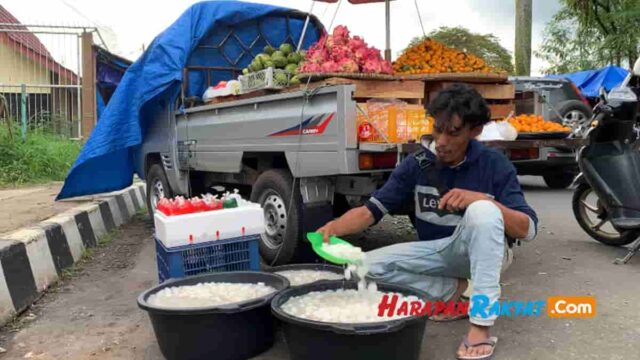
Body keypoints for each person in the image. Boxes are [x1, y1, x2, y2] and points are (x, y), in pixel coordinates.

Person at [317, 83, 538, 360]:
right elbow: (370, 211)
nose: (442, 141)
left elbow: (527, 229)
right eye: (438, 130)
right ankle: (453, 291)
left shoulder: (494, 164)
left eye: (453, 133)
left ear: (476, 131)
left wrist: (483, 201)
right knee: (361, 268)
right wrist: (332, 229)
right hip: (437, 253)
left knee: (483, 211)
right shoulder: (418, 163)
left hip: (482, 253)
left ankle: (480, 325)